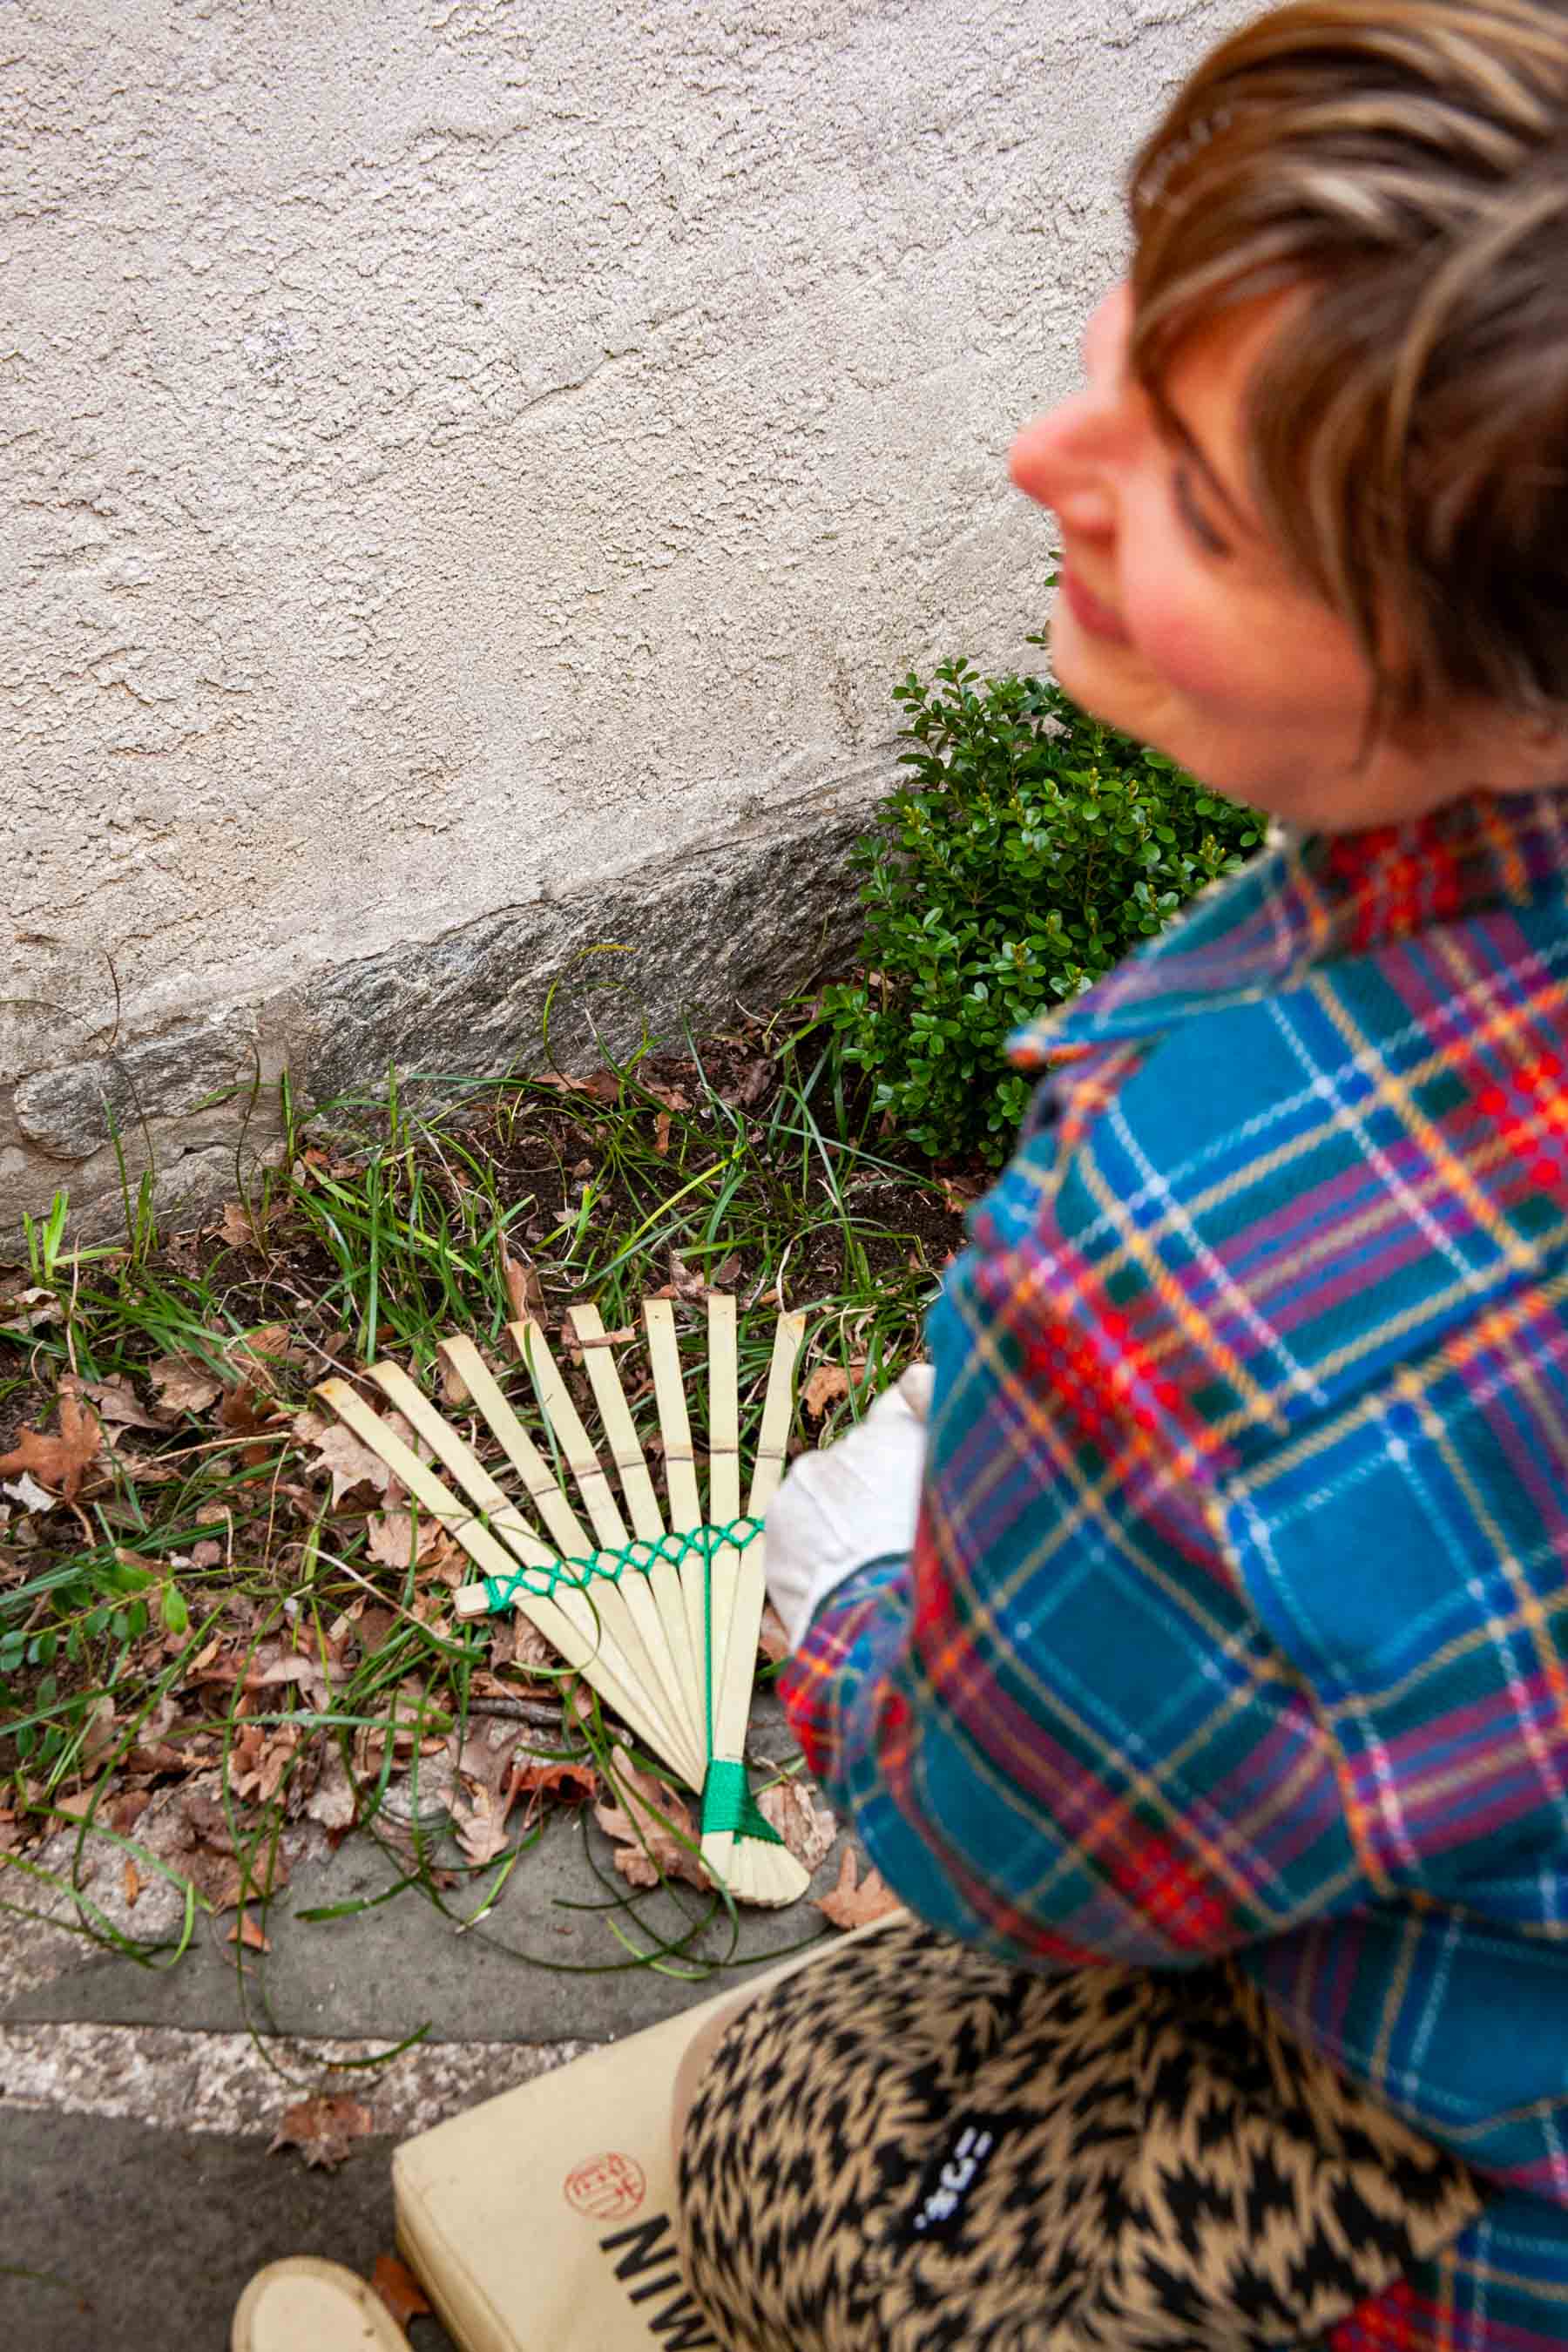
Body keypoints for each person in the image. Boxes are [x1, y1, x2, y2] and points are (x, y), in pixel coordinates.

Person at [671, 3, 1568, 2347]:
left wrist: (853, 1594)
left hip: (1482, 2203)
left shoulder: (1197, 1288)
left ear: (1454, 644)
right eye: (1137, 341)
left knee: (775, 2111)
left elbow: (1019, 1861)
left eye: (1194, 485)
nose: (1040, 454)